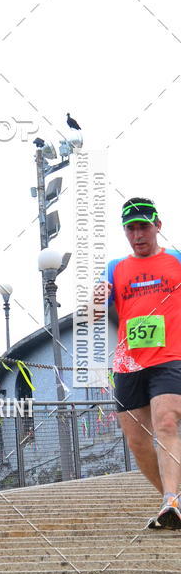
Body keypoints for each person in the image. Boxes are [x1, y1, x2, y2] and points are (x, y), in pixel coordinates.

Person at [107, 197, 181, 529]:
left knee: (165, 422)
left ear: (158, 226)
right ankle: (173, 502)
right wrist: (96, 300)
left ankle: (171, 499)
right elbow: (97, 311)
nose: (138, 234)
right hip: (129, 362)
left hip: (170, 357)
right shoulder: (115, 268)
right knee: (137, 441)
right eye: (131, 228)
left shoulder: (176, 260)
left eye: (144, 227)